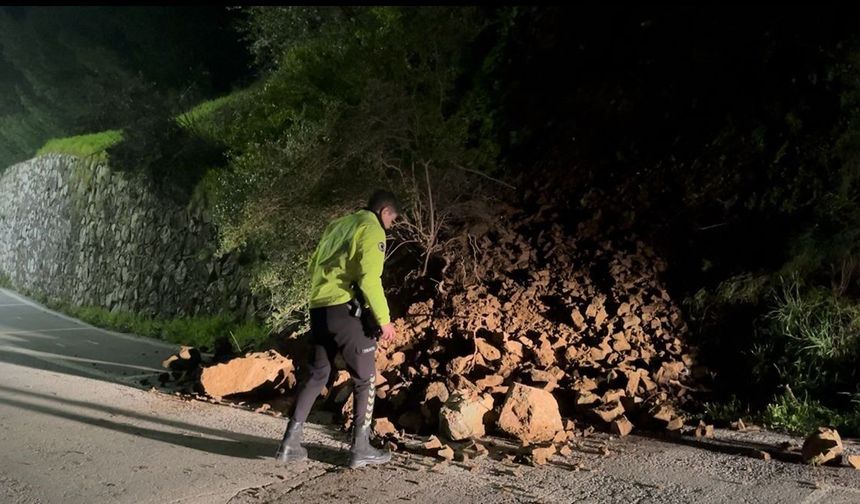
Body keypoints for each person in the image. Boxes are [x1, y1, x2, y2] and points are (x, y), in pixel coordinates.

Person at [276, 189, 400, 469]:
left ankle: (289, 444)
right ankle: (361, 448)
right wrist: (384, 319)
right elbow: (370, 278)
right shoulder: (372, 229)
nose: (391, 225)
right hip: (343, 311)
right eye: (393, 219)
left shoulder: (338, 225)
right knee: (365, 378)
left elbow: (313, 265)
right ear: (385, 212)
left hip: (319, 309)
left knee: (319, 373)